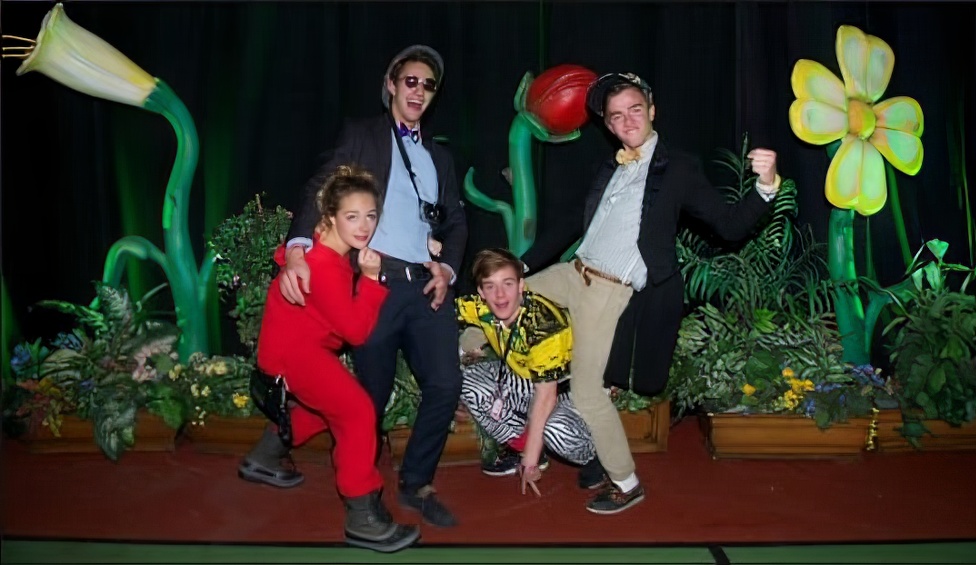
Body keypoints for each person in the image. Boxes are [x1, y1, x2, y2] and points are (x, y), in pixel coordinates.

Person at [519, 72, 782, 514]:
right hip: (572, 273)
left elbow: (730, 226)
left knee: (587, 392)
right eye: (616, 116)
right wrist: (523, 265)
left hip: (608, 292)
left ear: (652, 111)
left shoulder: (678, 168)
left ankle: (626, 483)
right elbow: (571, 222)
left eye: (635, 110)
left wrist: (766, 186)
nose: (627, 121)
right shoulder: (609, 165)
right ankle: (474, 388)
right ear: (608, 125)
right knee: (501, 297)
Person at [271, 45, 467, 528]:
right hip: (375, 284)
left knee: (445, 384)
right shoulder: (362, 135)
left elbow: (456, 223)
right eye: (410, 81)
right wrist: (297, 248)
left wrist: (447, 270)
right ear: (392, 85)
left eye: (428, 85)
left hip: (425, 287)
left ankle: (416, 482)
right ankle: (278, 447)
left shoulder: (440, 157)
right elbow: (321, 186)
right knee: (368, 400)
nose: (419, 91)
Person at [239, 165, 419, 552]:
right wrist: (370, 280)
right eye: (352, 216)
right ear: (331, 217)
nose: (364, 226)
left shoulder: (319, 250)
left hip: (291, 348)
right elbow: (355, 332)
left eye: (370, 215)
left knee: (327, 409)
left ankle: (264, 457)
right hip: (295, 355)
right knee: (357, 413)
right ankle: (363, 517)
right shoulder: (322, 265)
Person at [456, 248, 605, 495]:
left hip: (570, 389)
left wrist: (530, 462)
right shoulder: (480, 307)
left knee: (556, 429)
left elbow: (546, 397)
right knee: (466, 382)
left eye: (507, 284)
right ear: (481, 292)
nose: (500, 295)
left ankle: (596, 456)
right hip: (526, 378)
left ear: (521, 286)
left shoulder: (543, 326)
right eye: (490, 286)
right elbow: (436, 311)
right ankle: (524, 444)